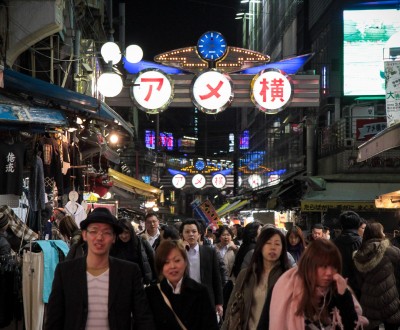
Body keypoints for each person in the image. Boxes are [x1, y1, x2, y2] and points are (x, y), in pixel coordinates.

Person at [45, 207, 155, 330]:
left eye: (107, 232)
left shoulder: (129, 272)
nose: (99, 237)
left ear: (114, 238)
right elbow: (54, 321)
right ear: (85, 235)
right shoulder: (65, 272)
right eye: (94, 231)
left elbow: (143, 318)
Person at [265, 239, 363, 330]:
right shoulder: (285, 291)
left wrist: (344, 296)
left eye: (334, 266)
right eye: (323, 266)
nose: (329, 272)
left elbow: (354, 326)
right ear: (309, 266)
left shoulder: (337, 291)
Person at [222, 227, 290, 330]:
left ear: (282, 248)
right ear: (260, 246)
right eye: (268, 243)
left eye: (277, 244)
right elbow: (231, 305)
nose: (272, 247)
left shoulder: (288, 277)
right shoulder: (246, 274)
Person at [145, 240, 219, 330]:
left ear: (185, 262)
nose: (172, 266)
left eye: (177, 260)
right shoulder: (151, 293)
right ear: (160, 267)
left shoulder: (200, 291)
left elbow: (211, 326)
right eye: (166, 262)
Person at [353, 222, 400, 329]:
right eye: (382, 231)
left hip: (368, 301)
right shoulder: (393, 251)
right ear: (380, 233)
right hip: (390, 298)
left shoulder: (359, 255)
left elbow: (359, 280)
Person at [179, 219, 224, 319]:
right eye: (187, 232)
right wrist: (180, 251)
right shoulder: (177, 253)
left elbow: (216, 278)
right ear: (182, 234)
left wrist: (219, 303)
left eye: (194, 231)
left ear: (199, 234)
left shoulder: (209, 251)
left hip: (205, 297)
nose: (191, 234)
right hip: (184, 297)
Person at [110, 218, 157, 285]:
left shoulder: (141, 242)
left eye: (126, 232)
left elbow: (154, 259)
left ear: (131, 231)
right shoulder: (114, 245)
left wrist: (153, 280)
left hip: (140, 283)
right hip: (119, 284)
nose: (123, 236)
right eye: (120, 233)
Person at [333, 210, 362, 296]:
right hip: (359, 287)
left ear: (341, 225)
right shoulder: (363, 243)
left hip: (338, 285)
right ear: (358, 225)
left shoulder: (333, 244)